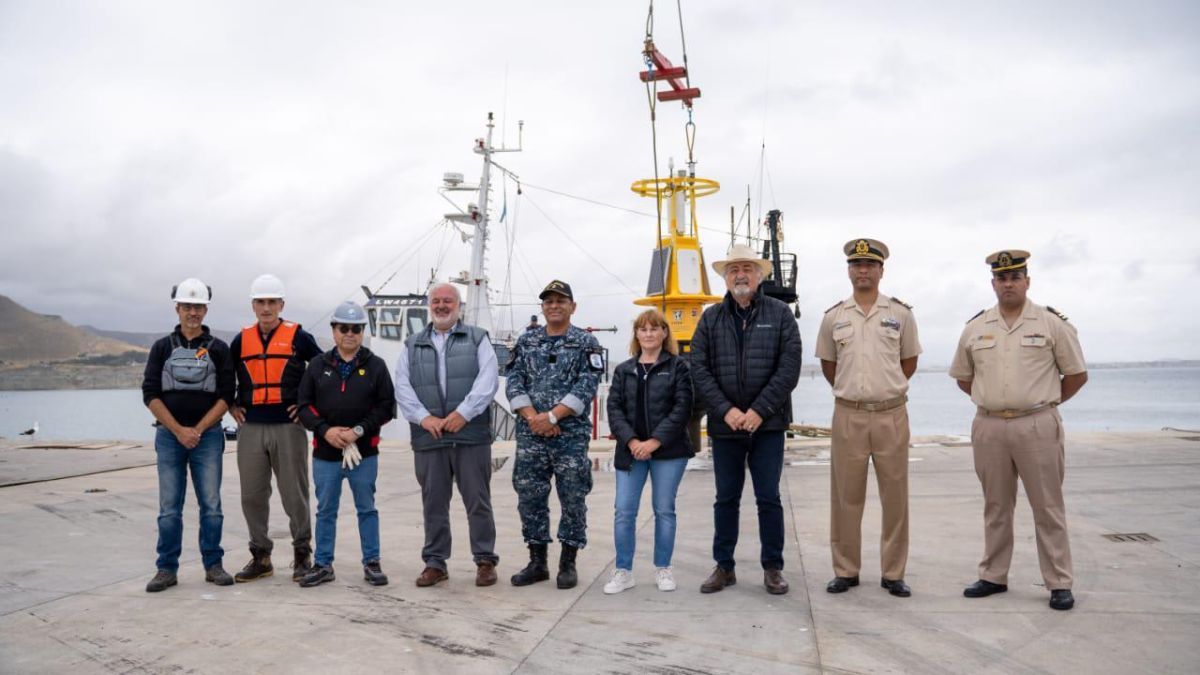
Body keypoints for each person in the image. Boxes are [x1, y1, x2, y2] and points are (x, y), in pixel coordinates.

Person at [949, 249, 1088, 611]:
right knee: (996, 505)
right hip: (990, 426)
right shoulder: (976, 327)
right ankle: (993, 575)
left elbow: (1076, 375)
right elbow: (964, 379)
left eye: (1015, 277)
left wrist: (1043, 404)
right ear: (992, 283)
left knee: (1048, 506)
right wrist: (994, 401)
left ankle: (1059, 581)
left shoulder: (1050, 323)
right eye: (1002, 278)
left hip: (1037, 426)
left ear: (1027, 281)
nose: (1008, 283)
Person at [690, 244, 802, 595]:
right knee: (726, 498)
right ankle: (724, 566)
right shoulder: (710, 318)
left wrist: (758, 411)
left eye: (747, 268)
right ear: (725, 277)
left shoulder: (780, 313)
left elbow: (789, 368)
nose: (741, 274)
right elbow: (699, 369)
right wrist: (727, 411)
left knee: (768, 497)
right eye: (734, 269)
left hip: (767, 426)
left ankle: (773, 568)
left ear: (759, 275)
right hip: (726, 427)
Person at [815, 238, 921, 598]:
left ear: (881, 270)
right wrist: (855, 393)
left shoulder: (900, 314)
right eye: (856, 265)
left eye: (869, 265)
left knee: (896, 498)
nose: (863, 271)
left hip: (891, 415)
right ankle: (846, 570)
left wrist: (884, 389)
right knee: (845, 497)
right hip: (849, 416)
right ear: (849, 271)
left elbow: (908, 363)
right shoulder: (834, 317)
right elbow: (829, 366)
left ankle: (893, 573)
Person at [393, 283, 501, 588]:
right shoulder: (412, 344)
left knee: (478, 500)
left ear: (459, 305)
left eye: (448, 301)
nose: (442, 306)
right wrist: (423, 418)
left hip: (470, 435)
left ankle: (484, 561)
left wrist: (463, 414)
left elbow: (488, 380)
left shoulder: (478, 338)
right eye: (436, 301)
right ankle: (435, 563)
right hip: (430, 437)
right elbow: (402, 386)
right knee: (433, 502)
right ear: (430, 305)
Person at [506, 280, 604, 589]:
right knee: (529, 496)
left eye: (561, 301)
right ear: (542, 308)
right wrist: (534, 418)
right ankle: (537, 562)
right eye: (548, 301)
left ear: (573, 307)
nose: (554, 306)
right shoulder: (526, 341)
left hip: (569, 435)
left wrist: (552, 417)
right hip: (530, 433)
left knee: (573, 496)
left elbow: (587, 385)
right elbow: (514, 380)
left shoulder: (586, 343)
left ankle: (567, 563)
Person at [141, 278, 237, 592]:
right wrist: (178, 430)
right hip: (170, 438)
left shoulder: (219, 349)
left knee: (211, 504)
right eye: (187, 307)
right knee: (169, 507)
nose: (193, 312)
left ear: (205, 309)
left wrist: (197, 430)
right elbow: (150, 394)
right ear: (178, 308)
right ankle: (166, 569)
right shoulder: (161, 348)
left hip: (207, 438)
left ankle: (213, 565)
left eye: (198, 307)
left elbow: (226, 396)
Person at [228, 274, 323, 583]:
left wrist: (306, 406)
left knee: (294, 494)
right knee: (252, 495)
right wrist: (231, 405)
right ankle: (261, 556)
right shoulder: (241, 341)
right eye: (260, 302)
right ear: (253, 305)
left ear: (281, 304)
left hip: (288, 426)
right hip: (251, 427)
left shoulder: (299, 337)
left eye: (272, 302)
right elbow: (223, 376)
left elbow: (322, 369)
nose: (266, 308)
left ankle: (301, 554)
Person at [296, 301, 396, 588]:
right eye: (344, 328)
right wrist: (325, 431)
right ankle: (323, 564)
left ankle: (372, 563)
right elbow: (304, 406)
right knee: (325, 510)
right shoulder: (317, 366)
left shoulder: (376, 366)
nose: (350, 334)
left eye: (356, 329)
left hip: (363, 454)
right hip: (326, 454)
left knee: (367, 508)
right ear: (334, 330)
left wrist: (358, 431)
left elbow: (386, 406)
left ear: (362, 332)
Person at [604, 309, 694, 594]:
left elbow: (683, 409)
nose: (649, 334)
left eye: (655, 329)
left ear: (665, 333)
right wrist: (632, 442)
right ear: (636, 334)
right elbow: (614, 409)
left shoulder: (679, 367)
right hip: (630, 452)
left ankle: (663, 568)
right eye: (643, 329)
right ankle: (623, 571)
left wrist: (654, 441)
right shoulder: (624, 370)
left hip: (669, 451)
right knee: (624, 511)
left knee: (664, 509)